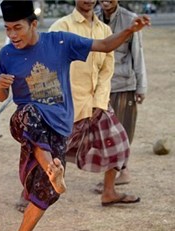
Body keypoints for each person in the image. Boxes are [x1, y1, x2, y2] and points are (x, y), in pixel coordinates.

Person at [0, 0, 150, 231]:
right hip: (25, 122)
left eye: (18, 28)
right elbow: (0, 96)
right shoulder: (7, 55)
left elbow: (104, 45)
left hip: (58, 128)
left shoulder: (60, 42)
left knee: (45, 193)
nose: (12, 35)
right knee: (29, 113)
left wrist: (130, 30)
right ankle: (51, 168)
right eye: (7, 29)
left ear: (34, 24)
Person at [49, 0, 141, 205]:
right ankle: (28, 195)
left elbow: (107, 70)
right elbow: (50, 65)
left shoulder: (104, 29)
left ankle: (109, 192)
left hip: (96, 103)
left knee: (119, 144)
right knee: (50, 153)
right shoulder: (61, 27)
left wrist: (100, 102)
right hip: (68, 105)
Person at [96, 0, 147, 187]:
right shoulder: (93, 17)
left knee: (123, 131)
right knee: (104, 133)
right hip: (101, 86)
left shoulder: (130, 19)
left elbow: (138, 54)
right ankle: (112, 174)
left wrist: (141, 87)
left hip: (123, 85)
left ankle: (121, 173)